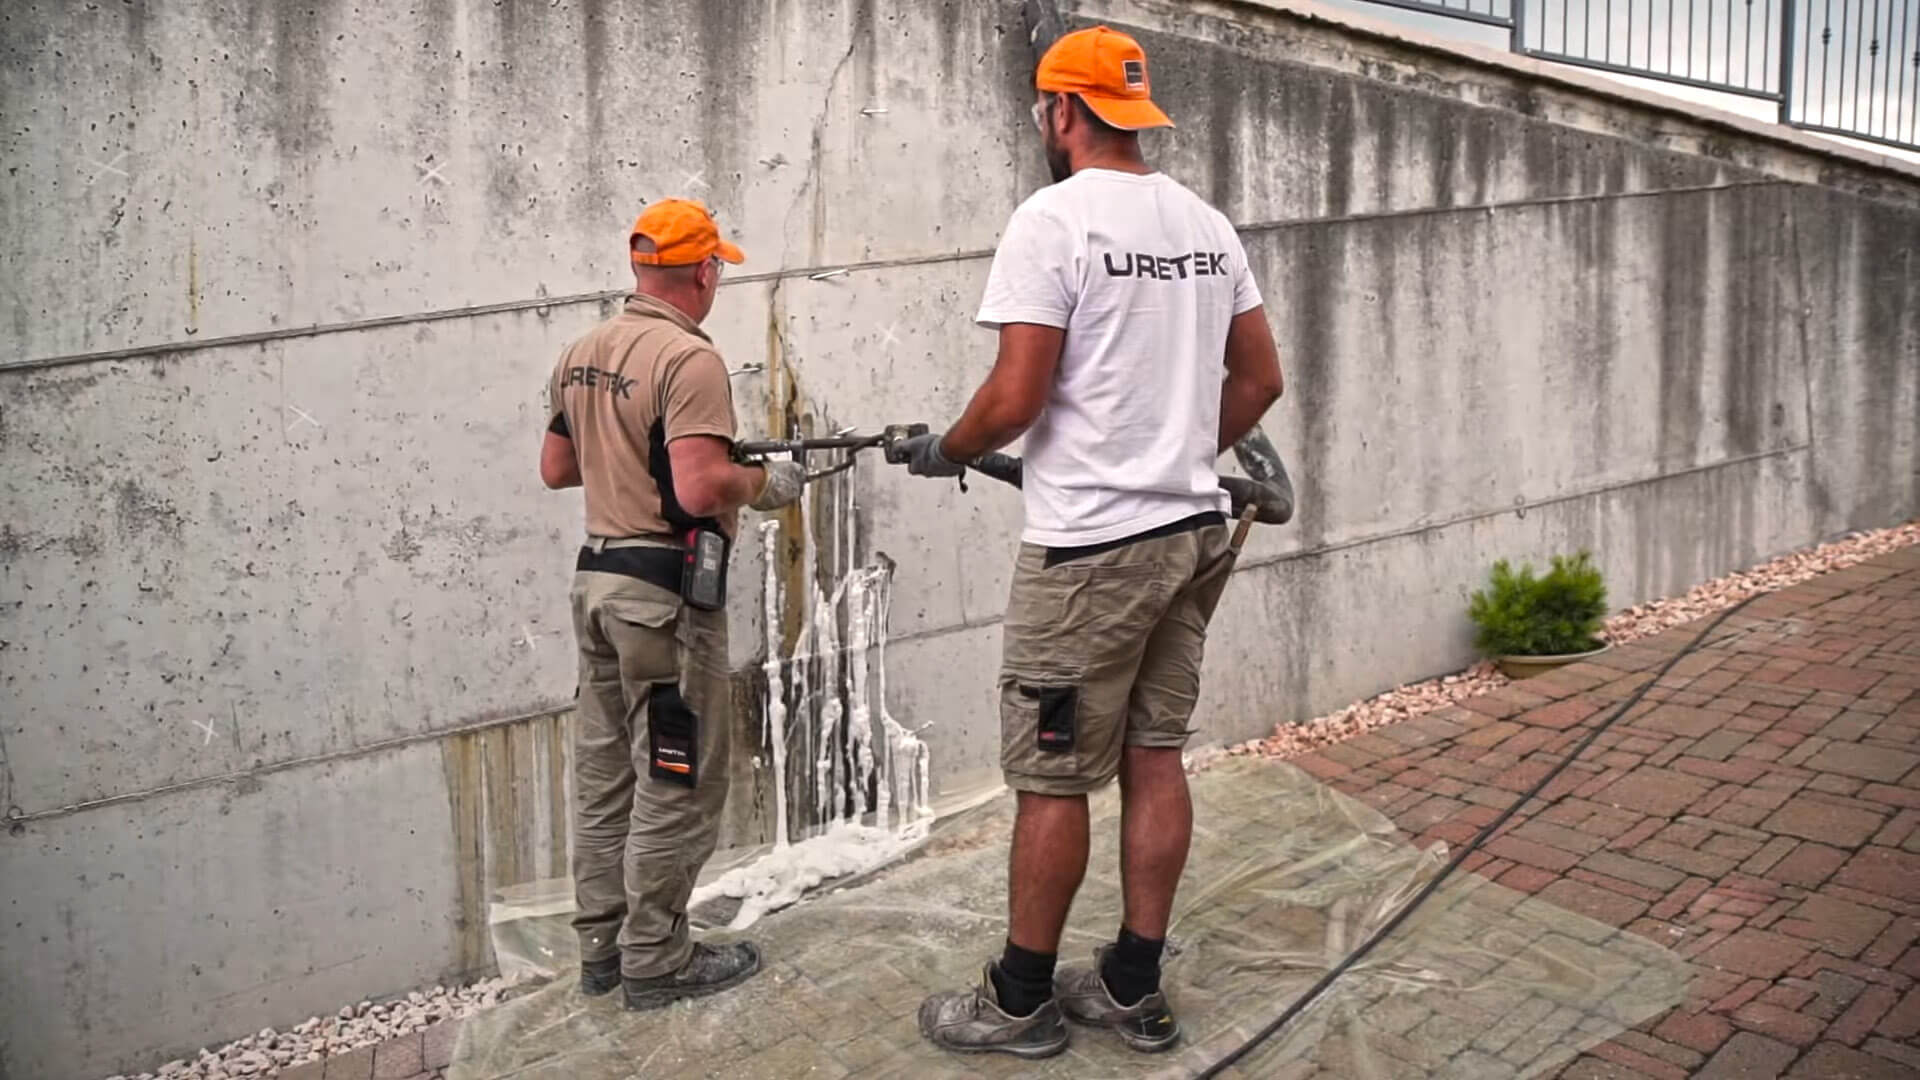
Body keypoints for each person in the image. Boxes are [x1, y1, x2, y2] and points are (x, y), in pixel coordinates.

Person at [904, 26, 1285, 1059]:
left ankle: (1021, 999)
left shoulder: (1053, 219)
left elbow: (1015, 396)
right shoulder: (1204, 222)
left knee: (1054, 770)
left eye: (1046, 112)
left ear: (1061, 113)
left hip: (1089, 557)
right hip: (1192, 533)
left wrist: (948, 447)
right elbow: (1260, 383)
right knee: (1155, 753)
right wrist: (1174, 453)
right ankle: (1129, 984)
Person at [539, 198, 805, 1011]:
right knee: (677, 775)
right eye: (717, 265)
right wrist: (763, 482)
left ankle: (602, 951)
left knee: (604, 772)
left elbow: (557, 469)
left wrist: (631, 456)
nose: (717, 278)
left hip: (598, 585)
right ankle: (656, 958)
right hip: (664, 602)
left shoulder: (581, 352)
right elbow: (697, 485)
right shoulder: (688, 360)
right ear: (701, 270)